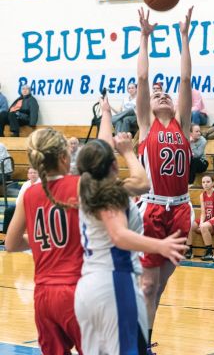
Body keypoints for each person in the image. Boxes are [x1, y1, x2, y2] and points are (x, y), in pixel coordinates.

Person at [74, 97, 188, 355]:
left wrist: (106, 113)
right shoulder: (116, 191)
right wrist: (128, 151)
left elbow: (101, 147)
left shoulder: (81, 187)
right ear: (114, 165)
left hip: (86, 285)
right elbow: (143, 186)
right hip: (115, 282)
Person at [135, 6, 193, 342]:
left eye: (165, 93)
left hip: (182, 209)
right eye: (157, 95)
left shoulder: (184, 125)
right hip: (153, 208)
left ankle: (143, 329)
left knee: (160, 283)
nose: (162, 94)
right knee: (149, 283)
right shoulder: (146, 126)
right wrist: (145, 38)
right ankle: (142, 343)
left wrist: (183, 36)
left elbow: (185, 79)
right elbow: (143, 79)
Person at [5, 128, 83, 355]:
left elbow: (11, 243)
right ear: (63, 157)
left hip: (42, 296)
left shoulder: (29, 193)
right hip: (75, 289)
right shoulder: (78, 185)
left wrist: (40, 240)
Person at [185, 175, 214, 260]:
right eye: (203, 182)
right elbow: (203, 213)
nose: (205, 184)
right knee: (189, 225)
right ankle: (189, 250)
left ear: (213, 183)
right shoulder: (202, 195)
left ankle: (209, 253)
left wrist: (204, 225)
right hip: (208, 218)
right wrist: (201, 223)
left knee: (203, 227)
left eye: (208, 182)